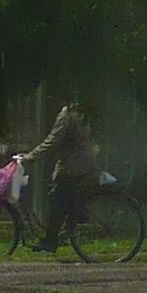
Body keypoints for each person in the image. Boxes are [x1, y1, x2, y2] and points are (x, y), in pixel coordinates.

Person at [22, 103, 100, 250]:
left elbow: (52, 141)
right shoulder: (81, 112)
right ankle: (70, 224)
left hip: (74, 165)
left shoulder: (67, 114)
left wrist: (30, 157)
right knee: (63, 197)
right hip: (81, 162)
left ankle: (51, 240)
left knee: (57, 199)